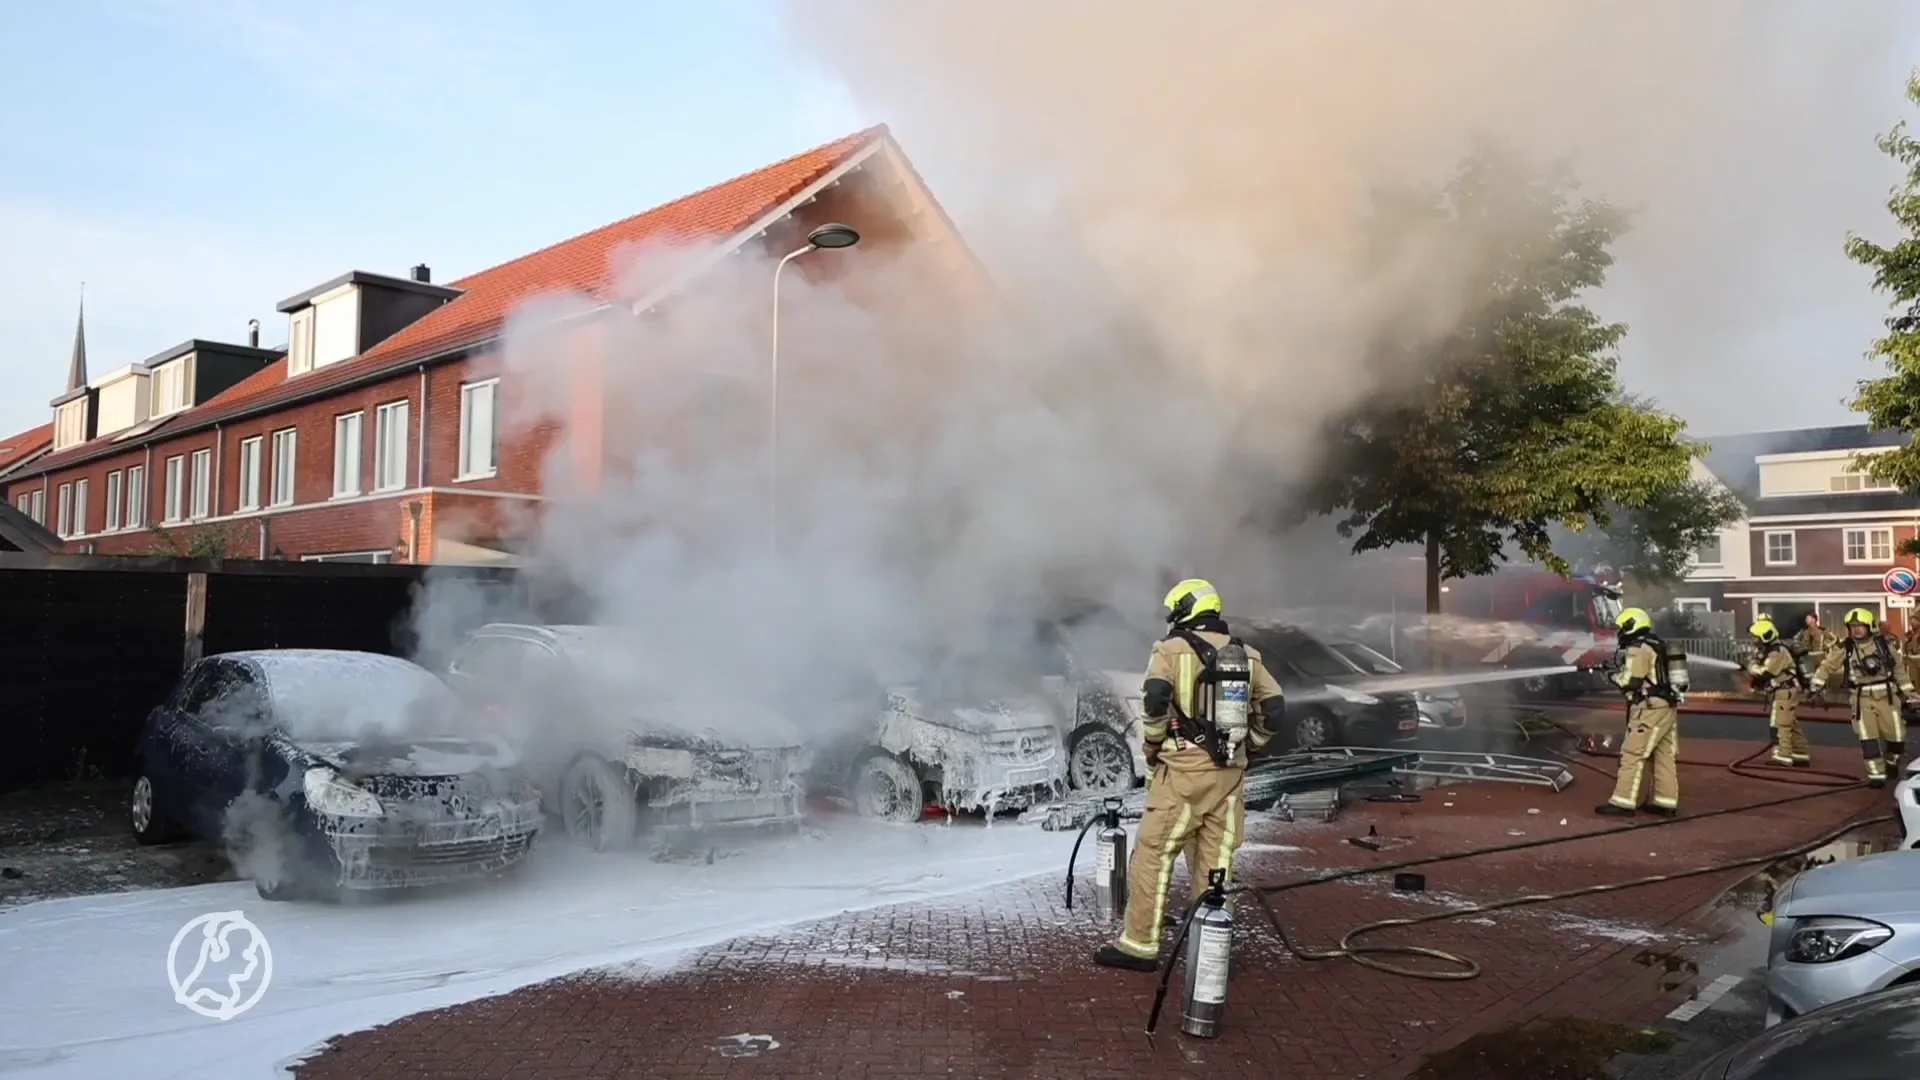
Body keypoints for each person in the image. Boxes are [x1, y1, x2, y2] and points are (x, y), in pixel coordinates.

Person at [1094, 578, 1285, 971]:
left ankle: (1139, 945)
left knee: (1153, 854)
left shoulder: (1170, 650)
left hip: (1182, 772)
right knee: (1216, 863)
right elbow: (1275, 707)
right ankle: (1210, 941)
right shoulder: (1247, 655)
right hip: (1230, 774)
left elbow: (1155, 699)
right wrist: (1253, 743)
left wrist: (1152, 746)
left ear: (1185, 610)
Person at [1809, 607, 1913, 788]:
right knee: (1868, 738)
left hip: (1887, 696)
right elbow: (1827, 666)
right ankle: (1876, 775)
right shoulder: (1845, 648)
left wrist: (1908, 691)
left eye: (1860, 626)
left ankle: (1891, 761)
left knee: (1897, 736)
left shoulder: (1883, 644)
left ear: (1869, 626)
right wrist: (1816, 686)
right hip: (1861, 699)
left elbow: (1898, 669)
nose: (1856, 629)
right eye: (1852, 626)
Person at [1596, 607, 1683, 818]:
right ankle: (1664, 802)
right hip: (1666, 707)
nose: (1619, 633)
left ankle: (1623, 802)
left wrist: (1612, 677)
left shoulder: (1638, 648)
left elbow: (1631, 680)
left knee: (1632, 754)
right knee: (1664, 756)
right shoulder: (1657, 644)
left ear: (1631, 626)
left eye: (1621, 628)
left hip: (1649, 709)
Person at [1745, 617, 1810, 768]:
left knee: (1780, 724)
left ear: (1766, 636)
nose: (1755, 641)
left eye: (1757, 638)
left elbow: (1766, 672)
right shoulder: (1772, 650)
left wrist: (1751, 666)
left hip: (1784, 692)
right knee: (1790, 723)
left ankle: (1783, 754)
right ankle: (1800, 752)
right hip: (1785, 691)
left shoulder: (1777, 652)